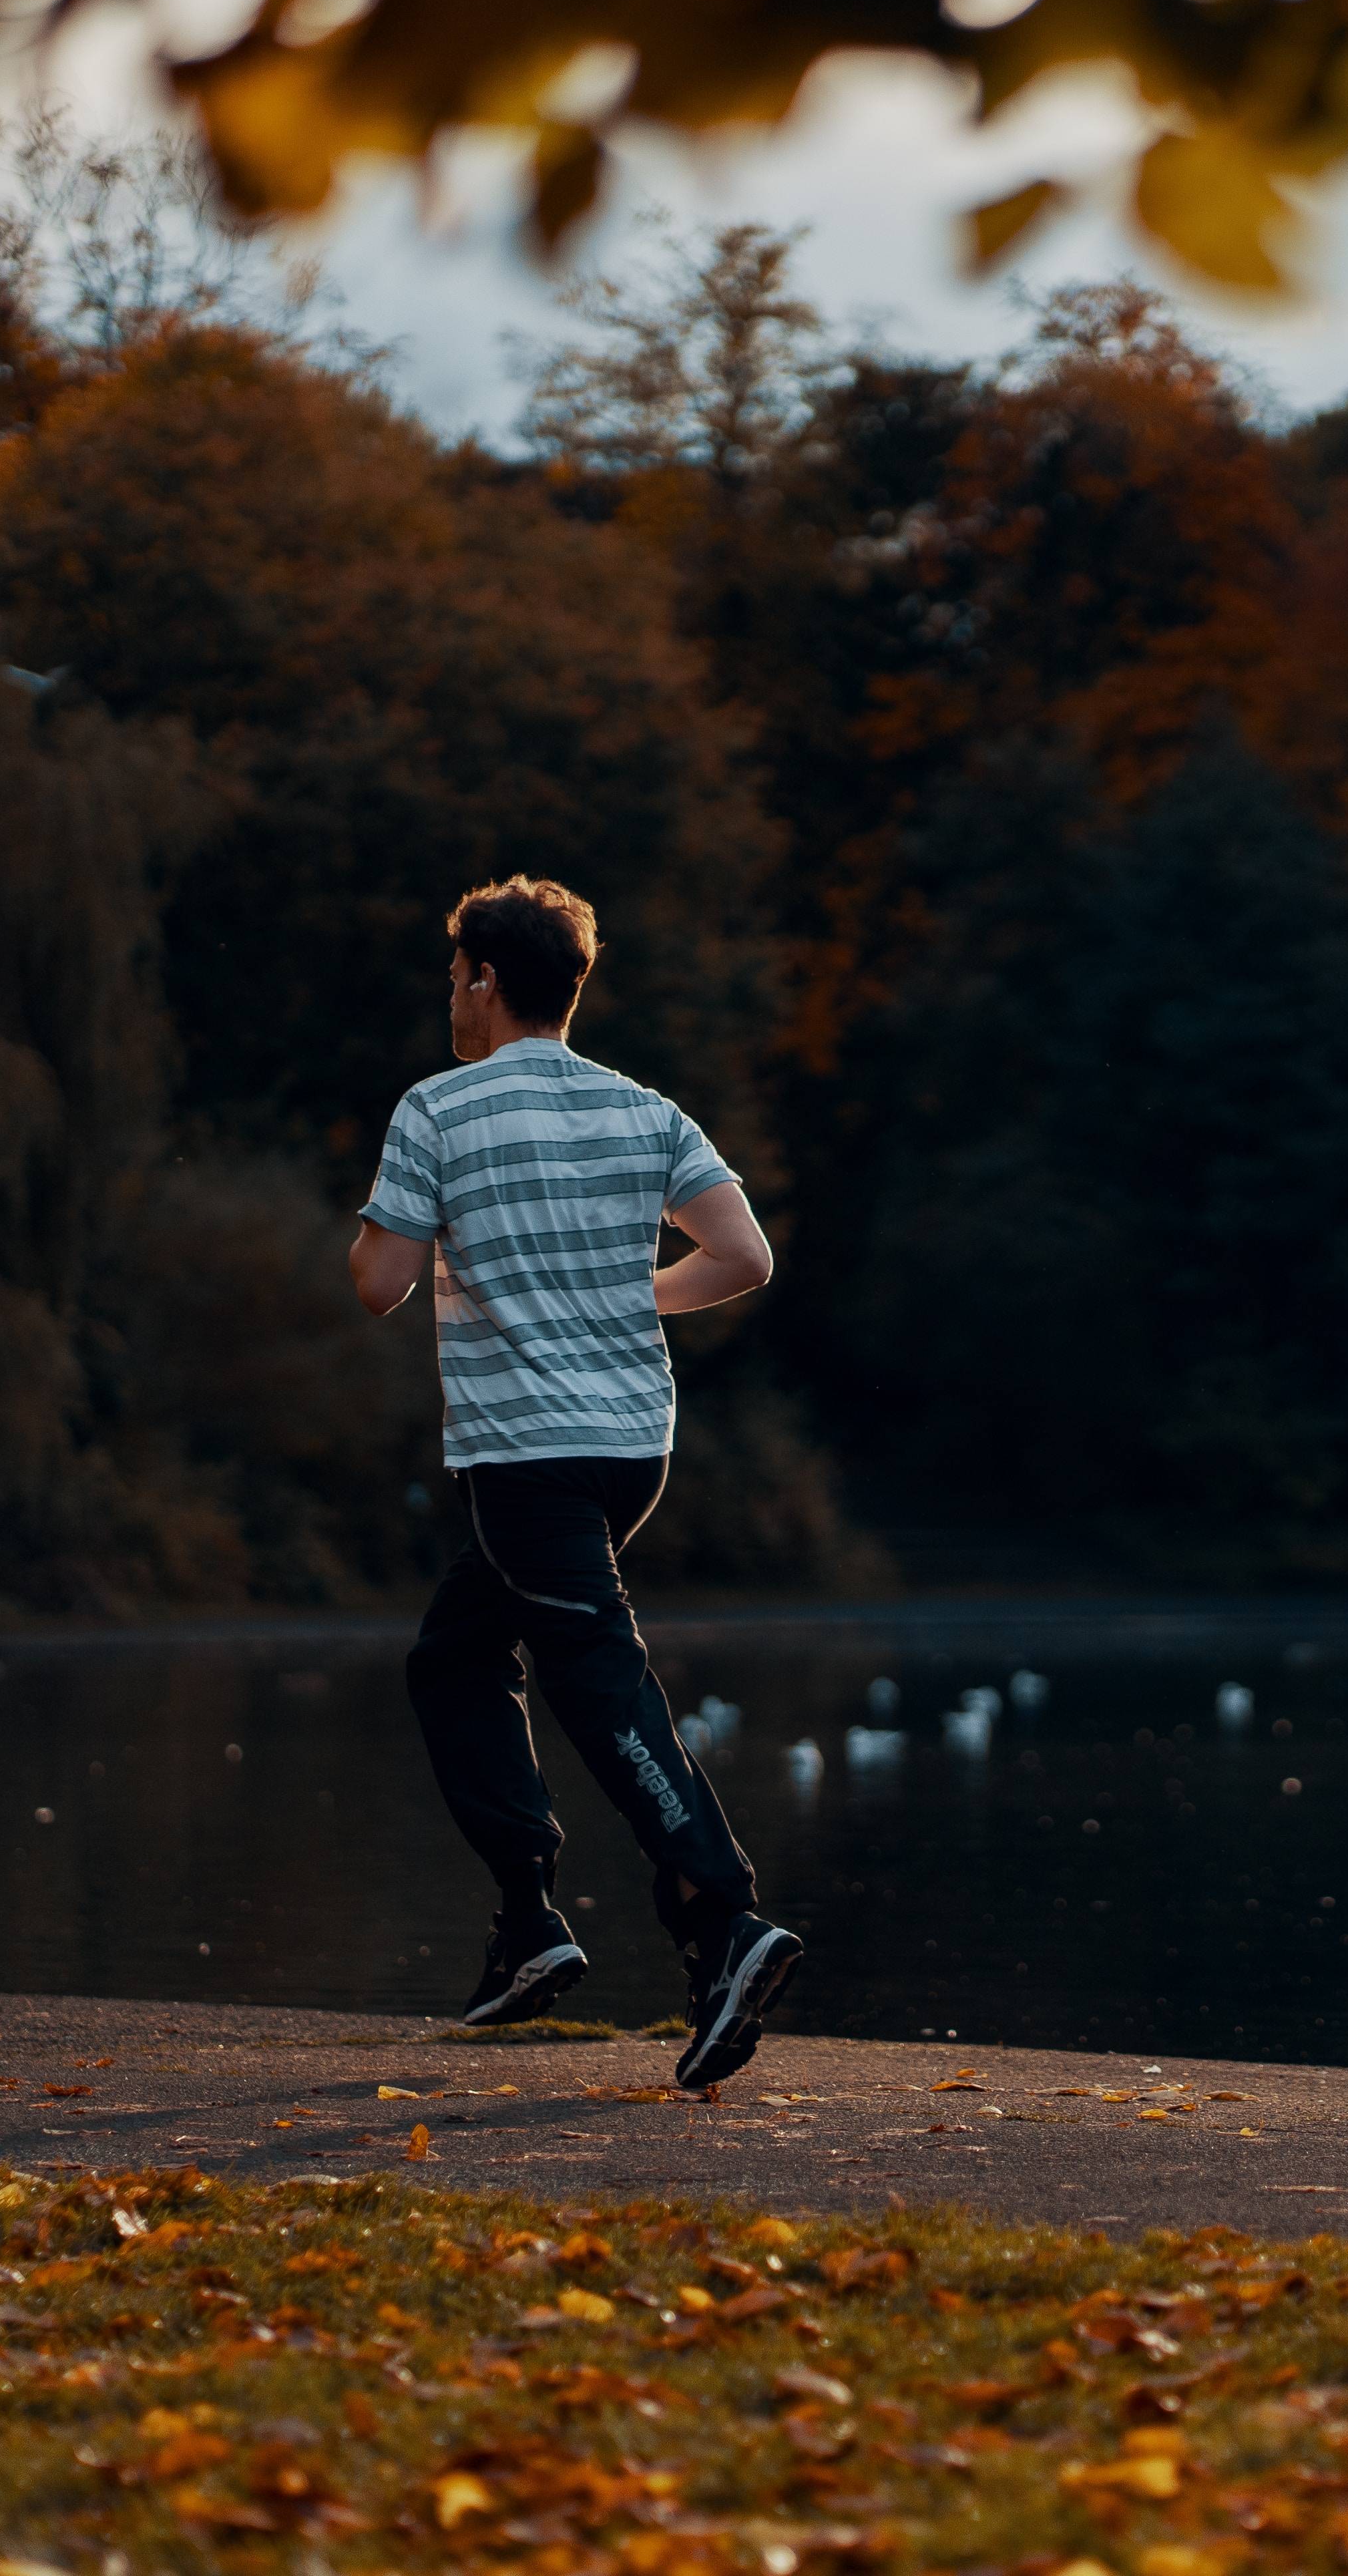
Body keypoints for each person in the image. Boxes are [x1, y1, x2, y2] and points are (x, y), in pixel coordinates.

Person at [348, 876, 801, 2092]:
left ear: (487, 981)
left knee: (595, 1678)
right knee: (454, 1658)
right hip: (628, 1450)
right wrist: (627, 1296)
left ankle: (721, 1920)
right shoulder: (646, 1110)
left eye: (455, 977)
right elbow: (743, 1257)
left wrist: (404, 1230)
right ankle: (529, 1926)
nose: (451, 997)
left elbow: (378, 1282)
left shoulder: (438, 1110)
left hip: (524, 1454)